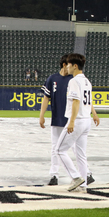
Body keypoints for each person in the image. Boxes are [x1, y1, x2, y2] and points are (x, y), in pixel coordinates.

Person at [54, 53, 100, 192]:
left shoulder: (74, 81)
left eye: (68, 64)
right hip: (86, 120)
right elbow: (89, 101)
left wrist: (72, 121)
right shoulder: (87, 81)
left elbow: (76, 101)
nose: (66, 66)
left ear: (75, 66)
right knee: (81, 154)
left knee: (59, 150)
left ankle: (75, 177)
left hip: (78, 120)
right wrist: (95, 114)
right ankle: (84, 184)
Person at [40, 55, 73, 186]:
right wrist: (41, 115)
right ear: (64, 65)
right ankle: (54, 175)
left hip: (71, 119)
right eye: (69, 64)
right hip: (57, 119)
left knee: (75, 148)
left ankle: (83, 174)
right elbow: (46, 98)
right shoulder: (52, 78)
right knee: (55, 148)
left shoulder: (73, 80)